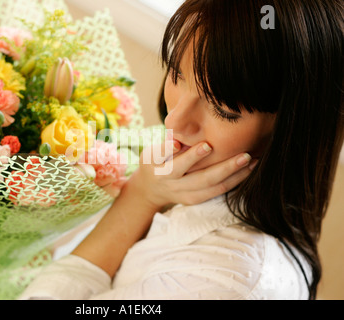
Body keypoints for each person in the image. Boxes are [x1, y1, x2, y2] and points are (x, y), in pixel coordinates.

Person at [19, 0, 343, 300]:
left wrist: (140, 196)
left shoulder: (223, 277)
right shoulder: (179, 178)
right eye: (177, 73)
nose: (174, 122)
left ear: (293, 128)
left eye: (223, 110)